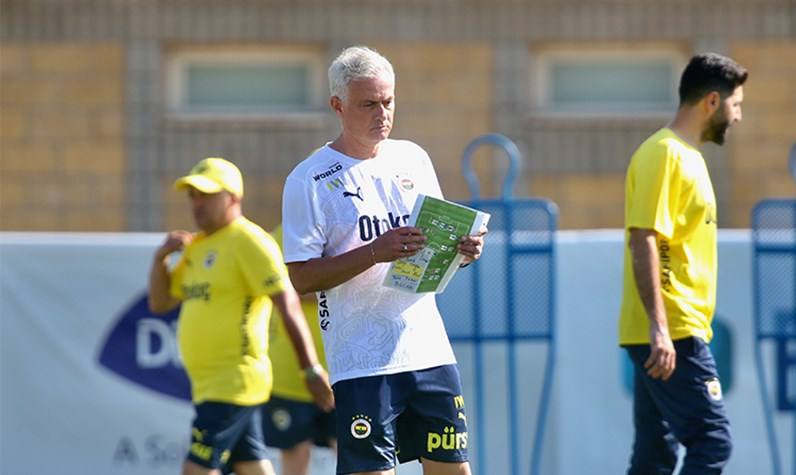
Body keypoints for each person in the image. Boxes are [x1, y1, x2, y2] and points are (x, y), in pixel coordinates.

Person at [281, 45, 485, 475]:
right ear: (338, 106)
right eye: (368, 104)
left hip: (428, 349)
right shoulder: (308, 179)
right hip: (362, 361)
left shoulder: (413, 157)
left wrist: (463, 250)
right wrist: (375, 251)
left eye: (388, 101)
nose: (382, 114)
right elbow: (300, 278)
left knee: (455, 470)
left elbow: (433, 243)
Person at [147, 157, 334, 475]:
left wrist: (311, 369)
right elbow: (161, 303)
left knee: (196, 470)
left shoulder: (249, 241)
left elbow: (288, 303)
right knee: (252, 467)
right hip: (209, 385)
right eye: (193, 195)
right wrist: (160, 258)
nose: (197, 203)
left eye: (207, 194)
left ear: (233, 197)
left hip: (233, 382)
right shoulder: (197, 246)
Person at [619, 52, 747, 474]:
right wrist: (660, 328)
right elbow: (644, 238)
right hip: (672, 330)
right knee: (712, 440)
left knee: (655, 454)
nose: (737, 116)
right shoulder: (665, 154)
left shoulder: (688, 157)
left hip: (670, 330)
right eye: (735, 104)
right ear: (712, 101)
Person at [261, 223, 337, 475]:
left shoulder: (345, 225)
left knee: (355, 459)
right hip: (289, 374)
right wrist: (341, 278)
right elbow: (290, 288)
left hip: (343, 370)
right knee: (295, 460)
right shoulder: (279, 236)